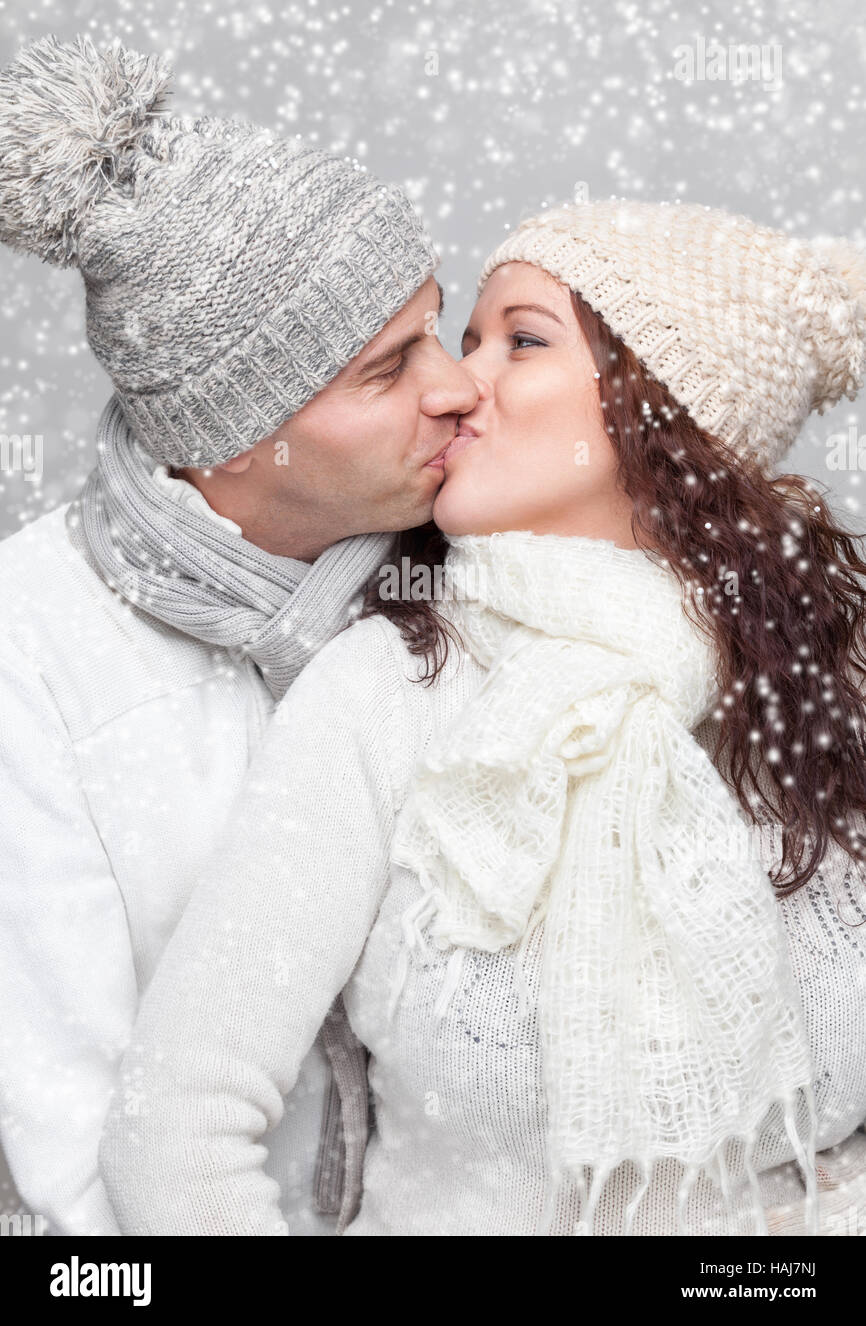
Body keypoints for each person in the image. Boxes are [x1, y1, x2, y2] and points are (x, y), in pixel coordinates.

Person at [99, 199, 866, 1237]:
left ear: (665, 408)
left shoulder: (814, 692)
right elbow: (175, 1128)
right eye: (468, 341)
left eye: (521, 339)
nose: (461, 387)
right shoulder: (388, 689)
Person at [0, 34, 478, 1237]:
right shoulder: (32, 651)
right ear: (233, 433)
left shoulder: (469, 577)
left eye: (440, 327)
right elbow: (73, 1144)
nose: (458, 386)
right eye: (386, 369)